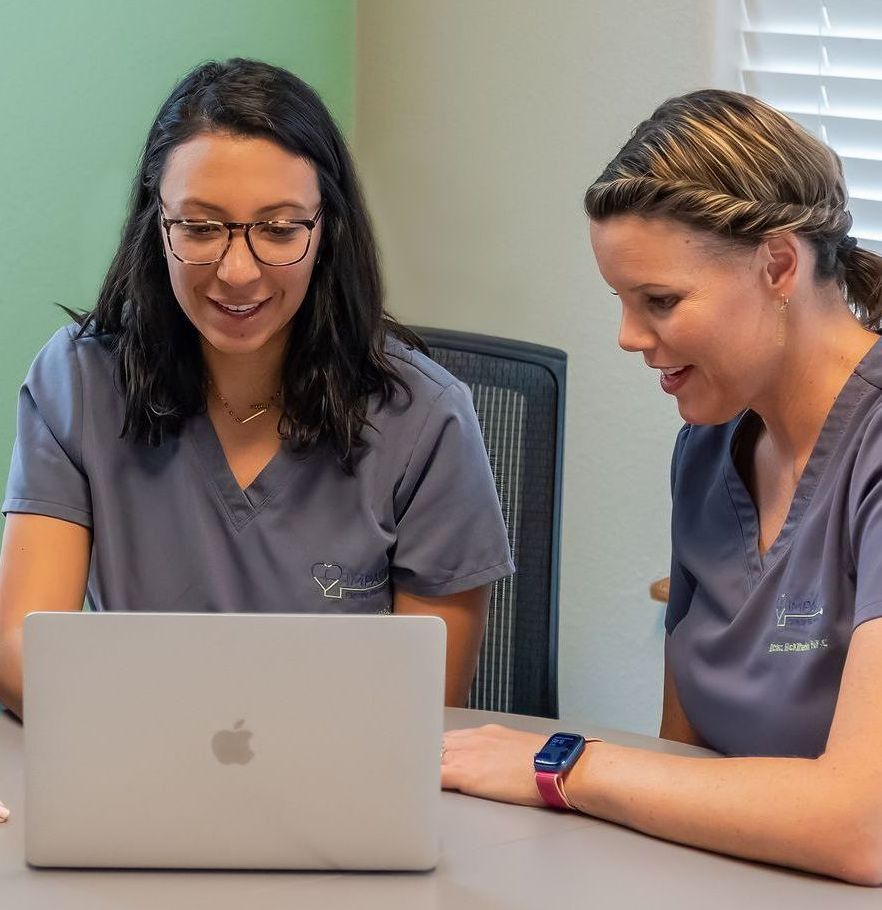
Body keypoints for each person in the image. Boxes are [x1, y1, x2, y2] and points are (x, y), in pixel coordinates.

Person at [441, 89, 882, 885]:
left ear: (778, 264)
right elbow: (680, 755)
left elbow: (862, 826)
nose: (628, 337)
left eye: (660, 301)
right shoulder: (706, 453)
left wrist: (561, 765)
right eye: (622, 301)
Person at [0, 58, 514, 736]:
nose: (237, 272)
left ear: (326, 231)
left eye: (278, 228)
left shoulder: (425, 418)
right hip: (132, 768)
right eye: (201, 227)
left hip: (337, 794)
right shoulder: (77, 383)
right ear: (157, 225)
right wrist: (186, 737)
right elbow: (20, 654)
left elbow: (423, 709)